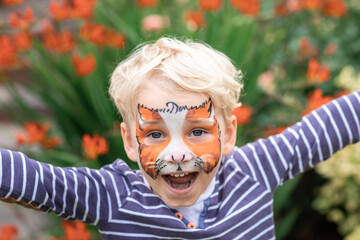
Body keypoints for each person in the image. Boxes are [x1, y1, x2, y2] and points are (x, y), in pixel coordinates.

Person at [0, 37, 359, 239]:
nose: (176, 154)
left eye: (198, 131)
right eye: (154, 134)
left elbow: (324, 128)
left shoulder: (254, 171)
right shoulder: (114, 196)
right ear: (129, 141)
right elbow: (40, 182)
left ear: (229, 132)